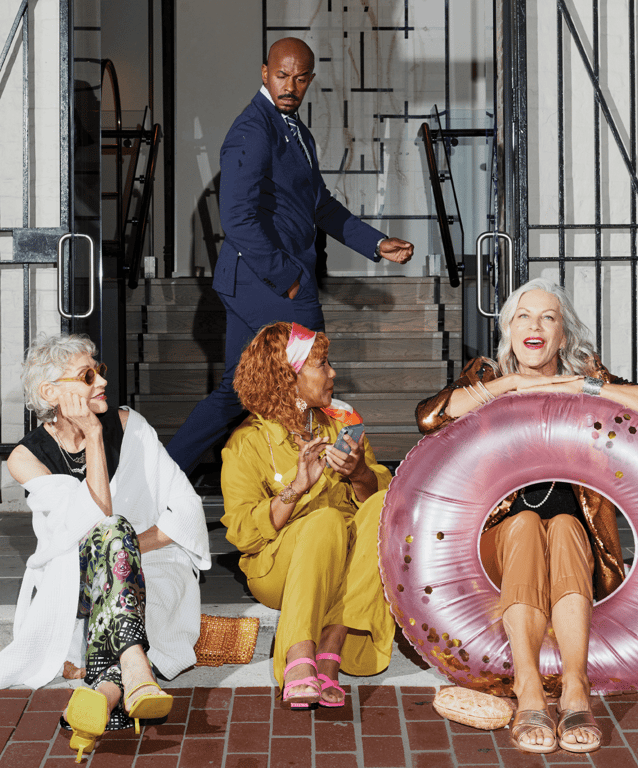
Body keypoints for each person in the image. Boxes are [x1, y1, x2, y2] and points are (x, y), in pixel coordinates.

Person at [166, 37, 414, 473]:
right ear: (265, 72)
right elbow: (238, 218)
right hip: (270, 283)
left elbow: (319, 205)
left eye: (300, 79)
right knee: (313, 376)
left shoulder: (296, 130)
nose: (289, 86)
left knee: (237, 392)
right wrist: (290, 279)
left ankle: (161, 479)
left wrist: (375, 243)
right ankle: (335, 481)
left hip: (253, 282)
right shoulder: (252, 130)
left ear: (310, 80)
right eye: (282, 75)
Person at [416, 278, 638, 755]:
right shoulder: (487, 374)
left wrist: (584, 385)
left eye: (547, 317)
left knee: (560, 524)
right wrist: (512, 384)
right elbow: (431, 418)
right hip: (499, 545)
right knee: (523, 524)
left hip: (574, 549)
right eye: (523, 316)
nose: (534, 326)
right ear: (509, 330)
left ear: (563, 335)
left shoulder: (587, 377)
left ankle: (575, 688)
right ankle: (530, 690)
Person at [2, 334, 211, 759]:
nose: (100, 382)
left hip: (150, 562)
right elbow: (94, 526)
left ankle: (105, 695)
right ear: (51, 393)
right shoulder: (26, 458)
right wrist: (94, 437)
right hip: (72, 578)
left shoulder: (131, 425)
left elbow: (186, 509)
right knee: (112, 528)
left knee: (127, 574)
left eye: (100, 371)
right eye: (87, 375)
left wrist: (129, 550)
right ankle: (135, 667)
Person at [220, 322, 395, 708]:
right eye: (322, 364)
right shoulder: (246, 443)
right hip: (278, 569)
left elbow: (385, 495)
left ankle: (329, 651)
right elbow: (245, 534)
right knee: (324, 519)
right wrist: (295, 489)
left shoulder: (342, 423)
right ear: (288, 377)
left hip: (346, 560)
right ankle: (299, 657)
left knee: (383, 505)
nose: (333, 373)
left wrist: (360, 473)